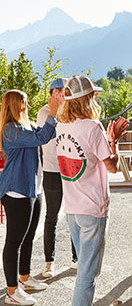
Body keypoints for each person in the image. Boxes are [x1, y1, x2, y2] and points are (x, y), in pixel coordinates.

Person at [56, 76, 129, 306]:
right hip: (93, 209)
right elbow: (112, 167)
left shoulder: (62, 126)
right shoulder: (93, 127)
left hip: (72, 208)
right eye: (94, 95)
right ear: (88, 99)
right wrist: (115, 141)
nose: (97, 99)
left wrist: (107, 141)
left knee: (88, 267)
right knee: (87, 272)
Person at [0, 90, 60, 306]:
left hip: (33, 189)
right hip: (17, 191)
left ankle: (24, 278)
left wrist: (56, 113)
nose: (29, 104)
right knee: (14, 241)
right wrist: (52, 111)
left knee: (28, 236)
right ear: (16, 105)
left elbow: (48, 133)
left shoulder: (26, 126)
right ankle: (12, 291)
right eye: (25, 102)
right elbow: (43, 136)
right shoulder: (11, 130)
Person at [36, 78, 75, 278]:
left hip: (71, 170)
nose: (63, 94)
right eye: (60, 91)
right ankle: (49, 262)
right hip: (52, 169)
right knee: (51, 216)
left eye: (66, 90)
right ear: (52, 93)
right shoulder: (44, 112)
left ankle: (77, 259)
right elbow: (48, 137)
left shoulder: (72, 110)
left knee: (74, 214)